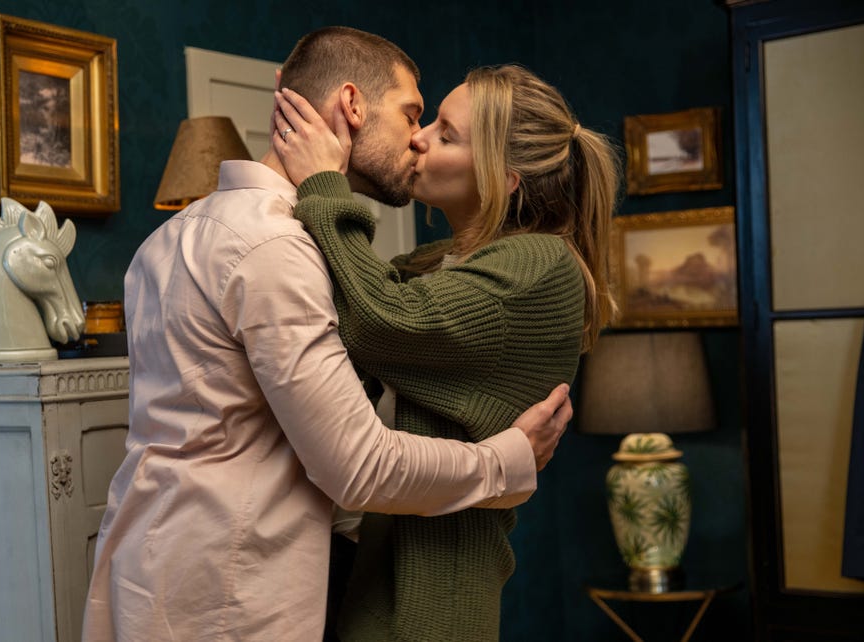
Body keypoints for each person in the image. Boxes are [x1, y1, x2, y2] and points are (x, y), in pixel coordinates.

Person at [82, 28, 575, 642]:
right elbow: (359, 464)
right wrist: (506, 463)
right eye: (413, 114)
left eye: (440, 131)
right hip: (229, 588)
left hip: (151, 558)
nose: (417, 140)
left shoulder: (171, 237)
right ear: (352, 106)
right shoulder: (278, 249)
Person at [272, 62, 620, 641]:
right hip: (364, 563)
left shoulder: (540, 265)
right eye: (427, 121)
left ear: (506, 178)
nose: (419, 137)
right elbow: (352, 297)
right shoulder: (441, 264)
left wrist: (324, 186)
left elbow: (381, 323)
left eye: (446, 134)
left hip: (428, 591)